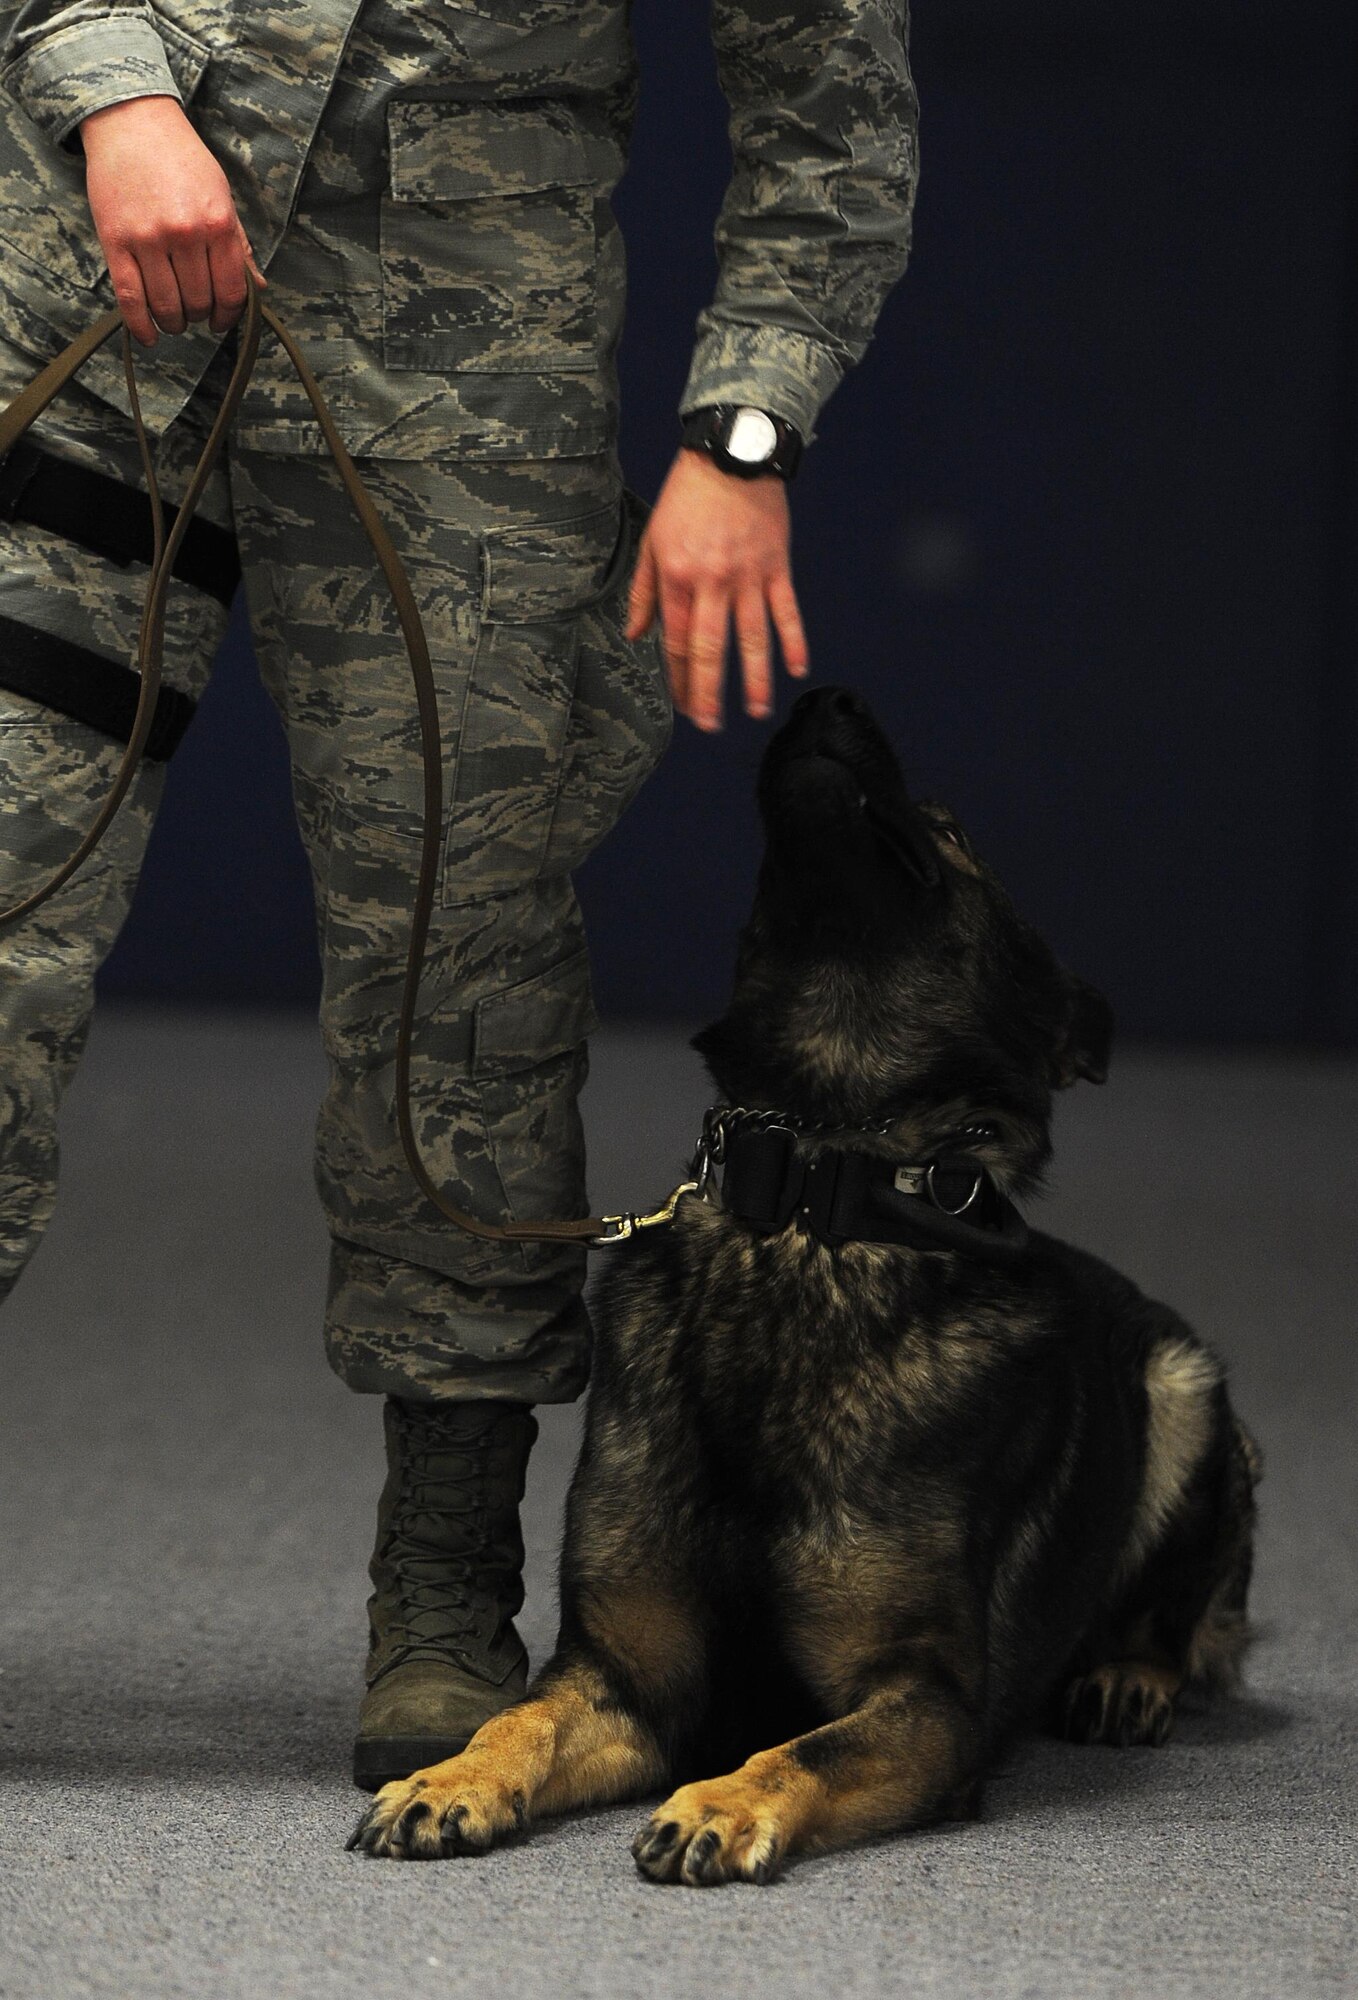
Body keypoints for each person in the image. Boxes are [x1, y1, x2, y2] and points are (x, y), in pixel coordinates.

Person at [0, 0, 920, 1791]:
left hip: (465, 383)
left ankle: (442, 1586)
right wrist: (110, 92)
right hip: (83, 305)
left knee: (464, 973)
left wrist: (742, 440)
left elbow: (829, 102)